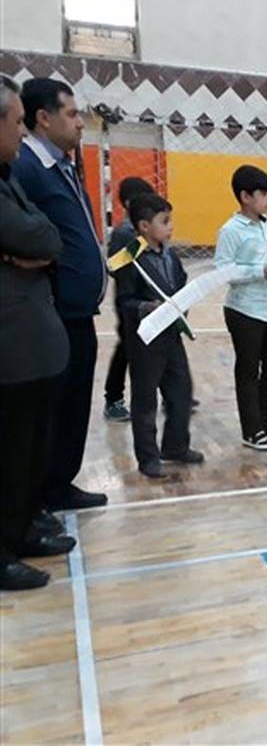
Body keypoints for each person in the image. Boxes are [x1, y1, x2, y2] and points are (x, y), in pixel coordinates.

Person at [11, 78, 108, 510]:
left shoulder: (62, 165)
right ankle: (41, 493)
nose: (81, 123)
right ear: (43, 119)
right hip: (53, 312)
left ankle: (58, 484)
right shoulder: (27, 168)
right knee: (50, 409)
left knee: (72, 405)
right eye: (71, 114)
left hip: (78, 312)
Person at [0, 74, 75, 590]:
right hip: (12, 346)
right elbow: (31, 232)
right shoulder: (21, 171)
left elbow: (46, 235)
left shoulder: (9, 176)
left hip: (32, 343)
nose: (21, 132)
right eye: (16, 123)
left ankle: (21, 530)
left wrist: (32, 248)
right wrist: (30, 246)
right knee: (9, 452)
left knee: (27, 449)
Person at [114, 193, 204, 477]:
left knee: (181, 391)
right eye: (164, 221)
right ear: (144, 226)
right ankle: (148, 457)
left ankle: (175, 446)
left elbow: (180, 284)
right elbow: (124, 301)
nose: (170, 226)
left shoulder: (171, 255)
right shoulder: (130, 259)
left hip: (171, 337)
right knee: (145, 400)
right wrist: (145, 307)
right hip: (146, 341)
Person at [214, 165, 267, 451]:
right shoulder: (230, 231)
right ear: (246, 197)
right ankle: (251, 430)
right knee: (248, 371)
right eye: (263, 194)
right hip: (244, 311)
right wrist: (259, 272)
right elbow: (223, 271)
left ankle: (265, 422)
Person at [102, 175, 156, 422]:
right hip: (129, 301)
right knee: (127, 348)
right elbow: (114, 266)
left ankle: (175, 393)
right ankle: (113, 398)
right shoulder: (125, 232)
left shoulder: (149, 228)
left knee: (160, 345)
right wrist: (141, 245)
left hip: (149, 299)